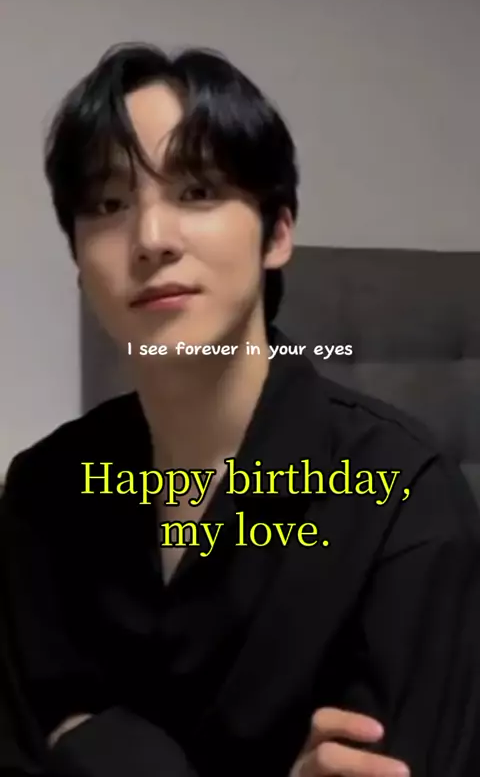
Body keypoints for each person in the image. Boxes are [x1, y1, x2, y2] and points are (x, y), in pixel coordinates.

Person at [1, 43, 480, 777]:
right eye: (108, 204)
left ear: (277, 231)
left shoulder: (404, 497)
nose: (151, 239)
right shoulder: (45, 490)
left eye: (196, 191)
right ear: (78, 259)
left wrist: (91, 743)